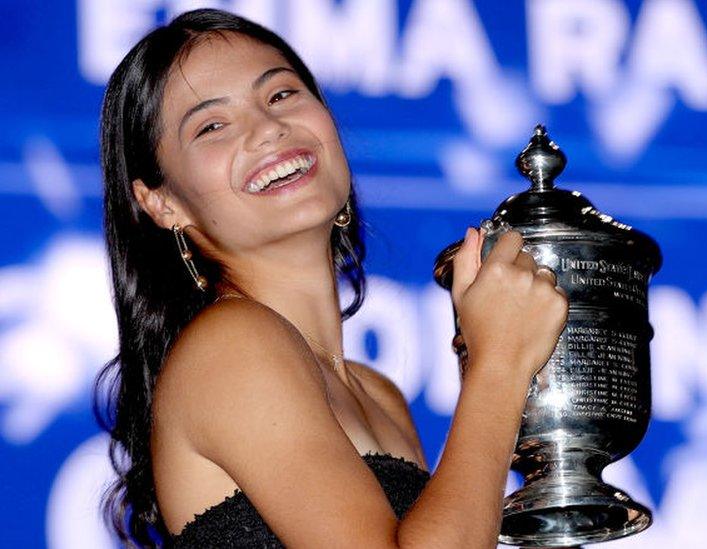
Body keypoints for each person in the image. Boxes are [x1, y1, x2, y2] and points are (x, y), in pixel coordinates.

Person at [91, 7, 568, 548]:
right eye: (212, 126)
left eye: (281, 95)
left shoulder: (381, 397)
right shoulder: (231, 346)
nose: (268, 129)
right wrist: (500, 362)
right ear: (162, 202)